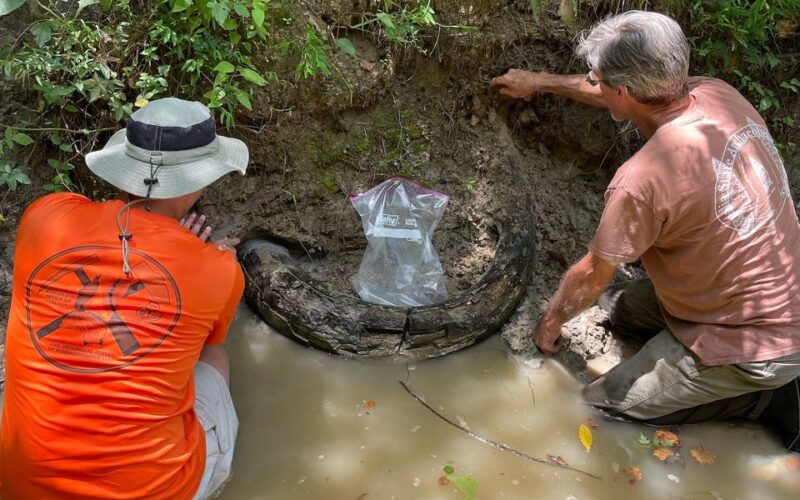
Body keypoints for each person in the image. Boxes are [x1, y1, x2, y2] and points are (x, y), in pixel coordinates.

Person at [492, 11, 800, 451]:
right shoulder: (717, 94)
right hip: (769, 294)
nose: (593, 83)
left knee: (600, 406)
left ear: (622, 91)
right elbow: (621, 92)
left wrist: (549, 321)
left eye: (596, 79)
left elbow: (593, 273)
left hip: (754, 341)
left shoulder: (642, 180)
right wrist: (540, 81)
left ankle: (758, 399)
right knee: (618, 309)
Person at [0, 98, 248, 498]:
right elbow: (201, 341)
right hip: (154, 491)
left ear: (122, 166)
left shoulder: (45, 216)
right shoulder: (220, 270)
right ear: (201, 180)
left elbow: (114, 238)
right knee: (211, 353)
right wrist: (194, 253)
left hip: (22, 486)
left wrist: (172, 243)